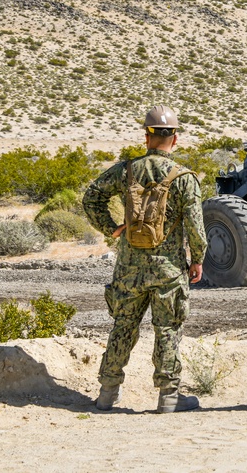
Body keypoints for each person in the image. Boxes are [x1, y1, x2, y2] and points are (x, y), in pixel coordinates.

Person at [83, 105, 207, 414]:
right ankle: (168, 397)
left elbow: (92, 197)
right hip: (169, 269)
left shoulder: (127, 170)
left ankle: (107, 393)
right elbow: (196, 227)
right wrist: (198, 259)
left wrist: (111, 228)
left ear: (146, 137)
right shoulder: (184, 178)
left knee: (123, 325)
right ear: (174, 139)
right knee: (168, 328)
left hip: (129, 267)